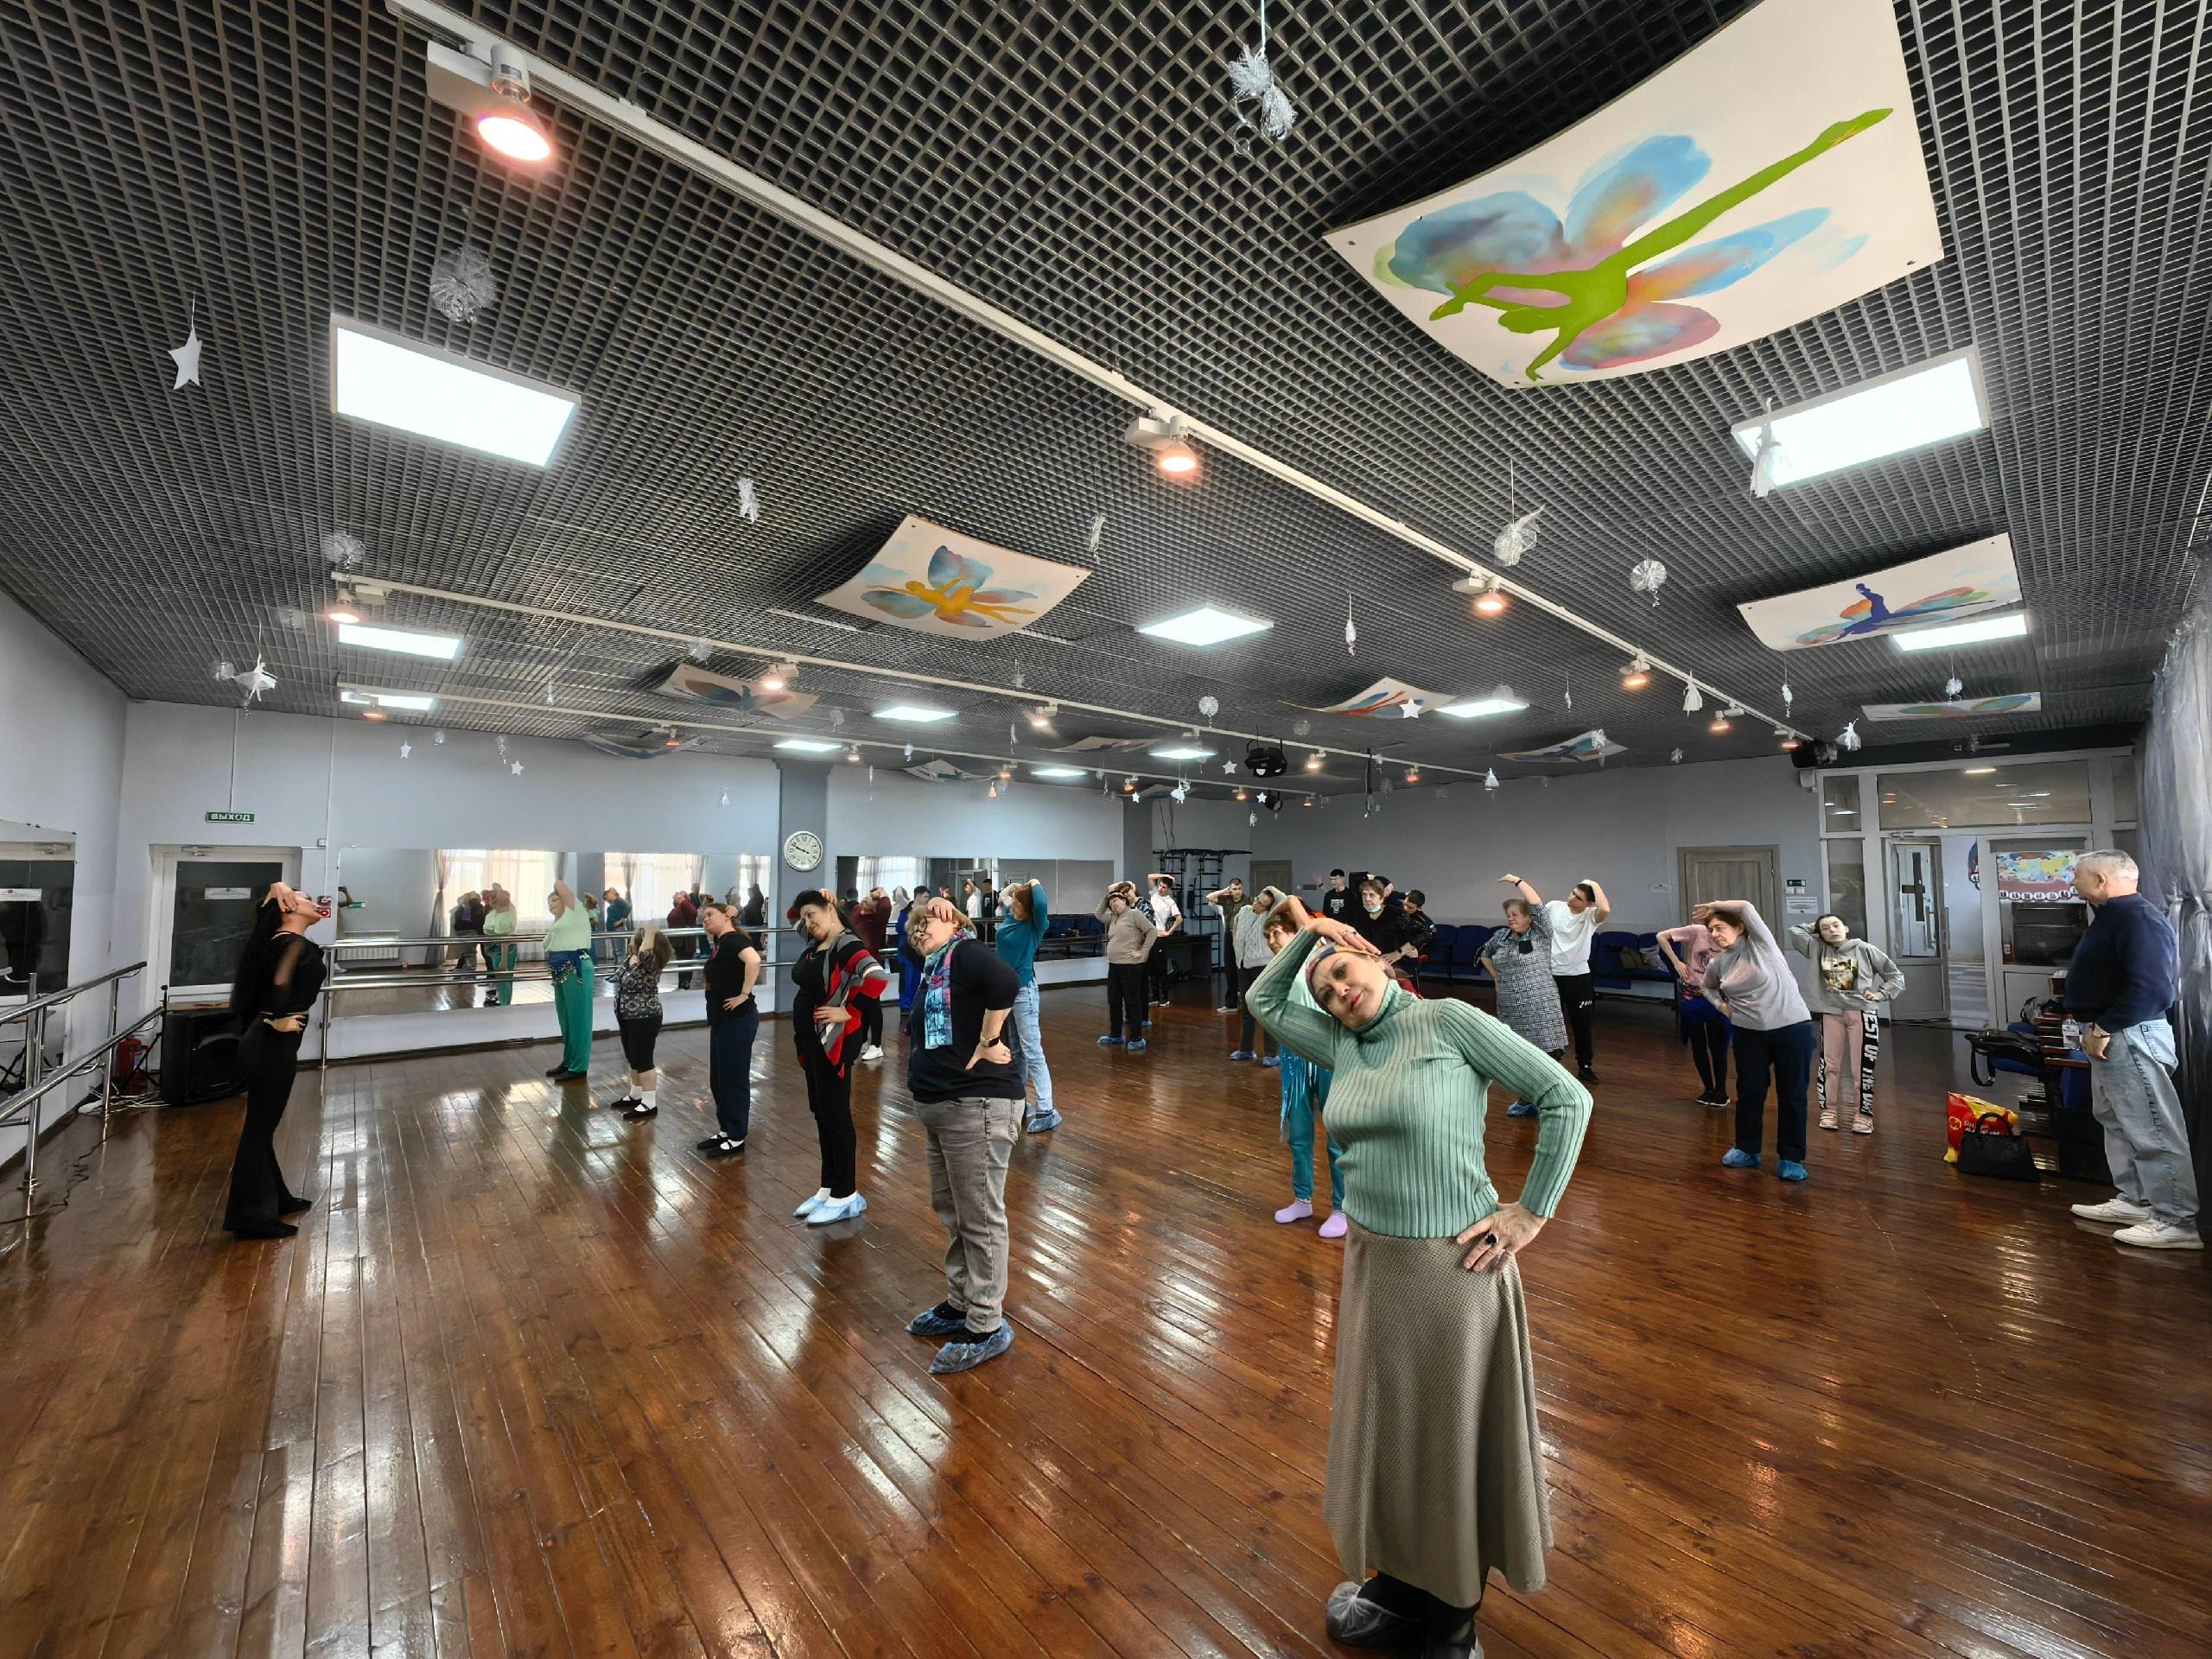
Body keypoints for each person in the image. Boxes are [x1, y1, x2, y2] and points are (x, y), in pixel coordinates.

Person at [1245, 894, 1592, 1658]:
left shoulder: (1448, 1022)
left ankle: (1453, 1615)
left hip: (1451, 1269)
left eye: (1345, 973)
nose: (1339, 991)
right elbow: (1262, 1000)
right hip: (1375, 1265)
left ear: (1376, 961)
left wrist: (1530, 1213)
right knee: (1391, 1435)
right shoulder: (1343, 1044)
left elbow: (1566, 1096)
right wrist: (1312, 933)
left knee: (1446, 1444)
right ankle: (1403, 1580)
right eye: (1327, 989)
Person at [896, 897, 1023, 1371]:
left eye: (926, 922)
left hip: (977, 1106)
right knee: (954, 1212)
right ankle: (961, 1300)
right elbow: (906, 947)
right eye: (913, 926)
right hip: (942, 1106)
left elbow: (1006, 981)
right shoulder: (934, 968)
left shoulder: (966, 953)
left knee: (980, 1218)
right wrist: (920, 916)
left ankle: (986, 1323)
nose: (918, 931)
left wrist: (989, 1040)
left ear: (954, 923)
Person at [2063, 851, 2200, 1250]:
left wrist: (2103, 1028)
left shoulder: (2139, 919)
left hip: (2129, 1033)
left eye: (2077, 876)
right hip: (2113, 1033)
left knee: (2152, 1127)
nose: (2072, 883)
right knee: (2117, 1120)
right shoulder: (2113, 917)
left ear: (2101, 880)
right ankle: (2137, 1202)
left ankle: (2176, 1221)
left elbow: (2153, 989)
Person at [224, 882, 329, 1238]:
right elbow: (279, 984)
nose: (314, 904)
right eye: (305, 900)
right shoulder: (290, 943)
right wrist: (276, 1016)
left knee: (261, 1126)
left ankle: (276, 1198)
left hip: (268, 1043)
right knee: (258, 1130)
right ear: (288, 908)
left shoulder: (280, 941)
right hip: (270, 1045)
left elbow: (279, 980)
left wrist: (279, 886)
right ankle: (250, 1217)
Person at [788, 888, 891, 1224]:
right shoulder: (815, 941)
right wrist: (810, 903)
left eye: (812, 915)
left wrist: (849, 1010)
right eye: (806, 917)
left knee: (836, 1116)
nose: (807, 922)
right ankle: (828, 1187)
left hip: (832, 1042)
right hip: (811, 1042)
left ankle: (846, 1194)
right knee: (822, 1113)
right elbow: (793, 916)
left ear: (830, 910)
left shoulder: (845, 944)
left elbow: (876, 977)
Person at [1697, 899, 1816, 1182]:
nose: (1714, 934)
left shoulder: (1762, 947)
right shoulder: (1718, 963)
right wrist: (1721, 1006)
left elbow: (1747, 907)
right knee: (1750, 1092)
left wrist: (1714, 905)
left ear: (1740, 928)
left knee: (1792, 1094)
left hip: (1792, 1028)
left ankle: (1791, 1157)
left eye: (1720, 927)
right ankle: (1747, 1149)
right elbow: (1707, 987)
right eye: (1711, 930)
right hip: (1748, 1034)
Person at [1263, 902, 1345, 1236]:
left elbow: (1297, 908)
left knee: (1337, 1136)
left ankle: (1342, 1208)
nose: (1272, 941)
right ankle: (1302, 1199)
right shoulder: (1275, 969)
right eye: (1268, 936)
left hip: (1327, 1054)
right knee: (1298, 1134)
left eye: (1277, 933)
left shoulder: (1316, 955)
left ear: (1296, 934)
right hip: (1294, 1057)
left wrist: (1283, 902)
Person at [1787, 913, 1904, 1134]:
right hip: (1832, 1013)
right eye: (1825, 928)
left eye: (1836, 925)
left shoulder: (1865, 949)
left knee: (1862, 1068)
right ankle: (1829, 1112)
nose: (1832, 930)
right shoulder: (1817, 948)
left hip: (1862, 1014)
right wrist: (1816, 926)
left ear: (1846, 928)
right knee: (1829, 1066)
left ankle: (1863, 1116)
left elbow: (1895, 976)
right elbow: (1795, 932)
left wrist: (1881, 994)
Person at [1478, 880, 1571, 1116]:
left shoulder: (1540, 934)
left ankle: (1548, 1099)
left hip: (1541, 1005)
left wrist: (1518, 882)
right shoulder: (1500, 936)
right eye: (1508, 915)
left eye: (1516, 914)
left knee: (1548, 1054)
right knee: (1519, 1055)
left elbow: (1537, 905)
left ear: (1529, 918)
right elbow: (1484, 954)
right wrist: (1496, 975)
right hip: (1511, 1007)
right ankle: (1525, 1099)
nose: (1510, 918)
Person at [1515, 874, 1609, 1084]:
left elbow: (1606, 909)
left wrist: (1593, 883)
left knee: (1582, 1023)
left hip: (1578, 977)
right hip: (1550, 975)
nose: (1571, 898)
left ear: (1588, 904)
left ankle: (1585, 1065)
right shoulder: (1554, 907)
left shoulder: (1591, 916)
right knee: (1549, 1022)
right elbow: (1535, 915)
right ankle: (1551, 1061)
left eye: (1578, 897)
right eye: (1572, 893)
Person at [696, 905, 764, 1155]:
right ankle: (726, 1129)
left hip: (738, 1020)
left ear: (726, 916)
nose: (705, 920)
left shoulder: (733, 939)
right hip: (723, 1020)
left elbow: (754, 960)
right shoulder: (721, 943)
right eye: (703, 917)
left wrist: (744, 994)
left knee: (733, 1078)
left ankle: (736, 1136)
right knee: (719, 1078)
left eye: (710, 915)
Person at [995, 877, 1059, 1133]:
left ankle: (1046, 1108)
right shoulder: (1011, 917)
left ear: (1027, 908)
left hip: (1024, 993)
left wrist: (1035, 882)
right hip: (1006, 992)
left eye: (1018, 904)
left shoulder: (1035, 925)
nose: (1012, 906)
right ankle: (1019, 1101)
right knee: (1017, 1050)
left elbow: (1040, 902)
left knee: (1032, 1050)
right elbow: (1004, 896)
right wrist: (1015, 889)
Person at [1656, 918, 1732, 1108]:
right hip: (1693, 995)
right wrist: (1676, 963)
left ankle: (1721, 1091)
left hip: (1716, 996)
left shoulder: (1731, 937)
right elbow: (1661, 936)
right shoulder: (1697, 931)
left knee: (1717, 1045)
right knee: (1698, 1044)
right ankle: (1708, 1089)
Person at [608, 924, 673, 1121]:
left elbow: (646, 953)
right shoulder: (633, 959)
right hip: (627, 1016)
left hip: (644, 1017)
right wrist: (634, 956)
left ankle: (649, 1103)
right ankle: (635, 1094)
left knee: (643, 1060)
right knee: (633, 1058)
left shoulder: (650, 963)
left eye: (633, 941)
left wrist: (650, 933)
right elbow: (619, 977)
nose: (630, 945)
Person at [1095, 881, 1158, 1051]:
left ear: (1124, 901)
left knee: (1132, 1001)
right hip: (1114, 965)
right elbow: (1098, 913)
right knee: (1114, 1001)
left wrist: (1143, 952)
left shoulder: (1134, 914)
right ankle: (1115, 1034)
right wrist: (1107, 897)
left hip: (1130, 965)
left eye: (1116, 901)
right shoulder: (1113, 918)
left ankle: (1137, 1037)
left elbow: (1152, 931)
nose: (1114, 905)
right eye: (1111, 904)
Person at [543, 880, 594, 1083]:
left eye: (555, 900)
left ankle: (579, 1066)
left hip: (576, 967)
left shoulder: (577, 912)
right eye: (549, 902)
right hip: (561, 969)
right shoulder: (559, 923)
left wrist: (556, 882)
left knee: (578, 1019)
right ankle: (569, 1061)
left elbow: (560, 885)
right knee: (566, 1018)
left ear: (567, 901)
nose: (551, 904)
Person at [1229, 886, 1279, 1063]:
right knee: (1247, 1009)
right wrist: (1236, 948)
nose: (1258, 902)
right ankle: (1246, 1050)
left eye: (1263, 902)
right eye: (1258, 898)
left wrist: (1271, 891)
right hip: (1243, 964)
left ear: (1269, 906)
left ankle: (1271, 1054)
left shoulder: (1270, 916)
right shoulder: (1244, 911)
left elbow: (1283, 900)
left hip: (1262, 966)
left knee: (1266, 1009)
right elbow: (1235, 929)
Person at [849, 887, 892, 1062]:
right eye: (865, 897)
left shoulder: (877, 920)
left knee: (873, 1005)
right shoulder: (856, 912)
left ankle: (876, 1045)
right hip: (856, 965)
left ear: (875, 907)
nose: (865, 900)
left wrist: (882, 893)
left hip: (871, 965)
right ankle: (863, 1041)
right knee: (861, 1004)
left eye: (869, 900)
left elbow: (886, 907)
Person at [1207, 877, 1249, 1013]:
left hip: (1243, 936)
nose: (1237, 891)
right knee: (1229, 969)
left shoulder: (1248, 901)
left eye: (1239, 888)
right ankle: (1231, 1004)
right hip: (1229, 935)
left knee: (1243, 969)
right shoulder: (1226, 900)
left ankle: (1247, 1002)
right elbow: (1209, 897)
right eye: (1234, 889)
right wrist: (1225, 891)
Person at [1144, 874, 1183, 1004]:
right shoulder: (1154, 894)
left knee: (1161, 968)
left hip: (1160, 937)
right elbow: (1150, 877)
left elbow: (1179, 919)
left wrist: (1169, 932)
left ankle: (1164, 996)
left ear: (1168, 889)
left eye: (1164, 887)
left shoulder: (1170, 902)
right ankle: (1155, 995)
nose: (1160, 889)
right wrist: (1165, 875)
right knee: (1151, 967)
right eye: (1160, 885)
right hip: (1150, 935)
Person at [480, 885, 517, 1007]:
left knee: (503, 977)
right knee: (502, 977)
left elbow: (504, 939)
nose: (489, 901)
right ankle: (502, 1000)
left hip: (503, 949)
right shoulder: (497, 912)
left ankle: (504, 1004)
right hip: (496, 947)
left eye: (492, 899)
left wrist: (504, 960)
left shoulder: (505, 914)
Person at [1397, 890, 1437, 988]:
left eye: (1411, 907)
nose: (1406, 909)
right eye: (1405, 904)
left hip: (1410, 958)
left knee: (1410, 986)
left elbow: (1435, 939)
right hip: (1394, 953)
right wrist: (1403, 894)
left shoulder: (1425, 921)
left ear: (1419, 907)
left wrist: (1420, 952)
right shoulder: (1398, 910)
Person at [448, 888, 485, 980]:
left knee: (470, 953)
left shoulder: (474, 907)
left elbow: (466, 920)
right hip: (462, 933)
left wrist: (472, 898)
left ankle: (470, 973)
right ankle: (463, 970)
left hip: (470, 932)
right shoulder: (464, 907)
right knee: (465, 953)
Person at [668, 887, 700, 989]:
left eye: (680, 894)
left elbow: (693, 912)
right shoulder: (678, 907)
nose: (676, 893)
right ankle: (682, 983)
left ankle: (686, 983)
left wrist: (683, 900)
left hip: (685, 940)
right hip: (679, 940)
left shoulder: (685, 904)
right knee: (681, 962)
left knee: (685, 961)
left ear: (684, 897)